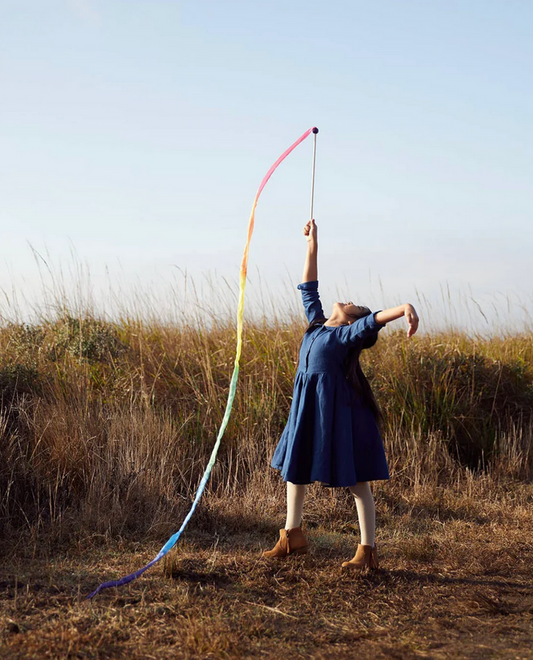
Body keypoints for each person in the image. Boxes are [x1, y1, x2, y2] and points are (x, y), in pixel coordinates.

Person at [264, 218, 419, 571]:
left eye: (356, 306)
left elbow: (373, 321)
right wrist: (312, 244)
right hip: (306, 411)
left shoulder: (344, 337)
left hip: (331, 415)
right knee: (295, 469)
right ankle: (292, 535)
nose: (351, 301)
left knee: (355, 479)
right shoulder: (318, 325)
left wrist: (403, 308)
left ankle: (367, 551)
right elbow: (308, 287)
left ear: (351, 322)